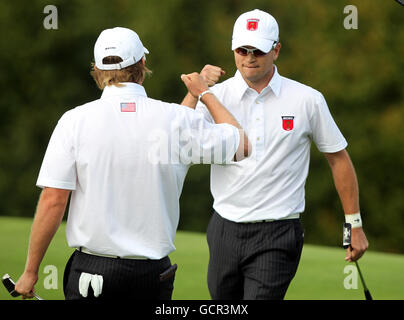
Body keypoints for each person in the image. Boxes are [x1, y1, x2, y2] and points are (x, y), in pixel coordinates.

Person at [15, 27, 249, 300]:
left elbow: (53, 200)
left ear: (97, 69)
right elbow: (241, 145)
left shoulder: (74, 121)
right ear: (142, 64)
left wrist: (31, 272)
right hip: (152, 276)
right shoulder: (174, 120)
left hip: (92, 273)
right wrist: (204, 93)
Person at [181, 9, 369, 300]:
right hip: (223, 230)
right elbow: (178, 139)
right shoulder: (214, 96)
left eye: (258, 49)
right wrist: (197, 92)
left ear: (276, 50)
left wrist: (353, 226)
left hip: (278, 232)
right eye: (242, 49)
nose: (249, 57)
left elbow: (338, 159)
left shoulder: (307, 99)